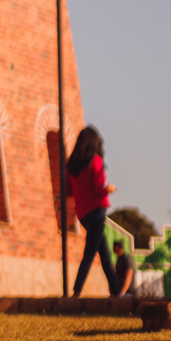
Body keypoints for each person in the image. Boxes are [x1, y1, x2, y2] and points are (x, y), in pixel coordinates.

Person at [67, 125, 127, 297]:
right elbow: (99, 188)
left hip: (83, 214)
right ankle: (77, 291)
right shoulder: (96, 162)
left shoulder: (72, 166)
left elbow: (70, 190)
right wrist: (110, 188)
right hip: (97, 211)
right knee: (90, 254)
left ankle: (116, 291)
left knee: (104, 254)